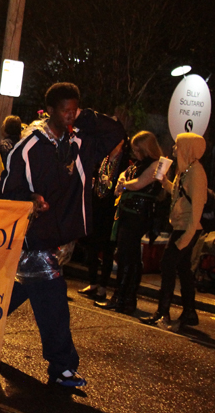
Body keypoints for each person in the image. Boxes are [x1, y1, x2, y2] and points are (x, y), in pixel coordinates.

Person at [0, 82, 125, 387]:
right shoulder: (29, 147)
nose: (70, 116)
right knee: (53, 301)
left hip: (60, 239)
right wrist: (30, 199)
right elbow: (6, 191)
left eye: (74, 110)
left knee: (8, 296)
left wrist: (86, 116)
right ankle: (62, 366)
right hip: (34, 239)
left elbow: (116, 133)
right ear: (50, 110)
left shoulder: (82, 141)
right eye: (65, 110)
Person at [140, 133, 207, 326]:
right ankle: (189, 312)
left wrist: (187, 236)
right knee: (183, 270)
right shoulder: (185, 170)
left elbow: (197, 208)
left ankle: (163, 312)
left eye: (178, 145)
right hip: (181, 226)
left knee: (167, 266)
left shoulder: (196, 172)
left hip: (187, 228)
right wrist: (164, 183)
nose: (174, 149)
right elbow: (181, 195)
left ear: (187, 147)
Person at [95, 132, 162, 314]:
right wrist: (124, 183)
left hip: (138, 214)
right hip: (129, 211)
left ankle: (123, 297)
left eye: (137, 149)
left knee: (127, 256)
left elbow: (138, 183)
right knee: (126, 255)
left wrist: (124, 184)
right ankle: (124, 298)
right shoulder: (141, 164)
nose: (134, 153)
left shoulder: (158, 164)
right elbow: (125, 180)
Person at [79, 139, 127, 304]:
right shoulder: (104, 158)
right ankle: (92, 282)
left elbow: (126, 185)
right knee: (92, 245)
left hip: (110, 209)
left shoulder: (124, 161)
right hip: (97, 204)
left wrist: (112, 184)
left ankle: (103, 287)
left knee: (107, 248)